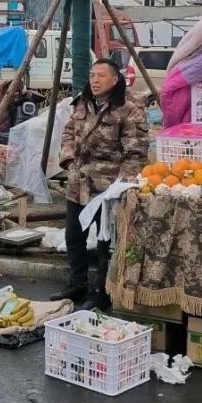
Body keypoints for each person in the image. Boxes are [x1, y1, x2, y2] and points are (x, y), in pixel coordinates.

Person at [53, 58, 149, 311]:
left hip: (108, 188)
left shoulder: (129, 109)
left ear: (115, 80)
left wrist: (122, 187)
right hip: (79, 182)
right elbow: (67, 132)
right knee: (74, 236)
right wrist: (69, 160)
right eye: (92, 75)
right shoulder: (83, 102)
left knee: (107, 242)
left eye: (101, 76)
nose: (95, 80)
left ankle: (102, 291)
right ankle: (77, 285)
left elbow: (136, 153)